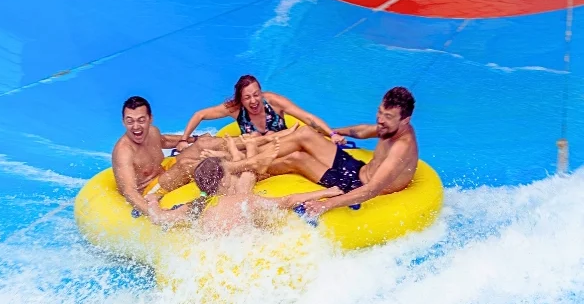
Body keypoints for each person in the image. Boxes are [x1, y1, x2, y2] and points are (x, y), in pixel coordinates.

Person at [227, 87, 419, 217]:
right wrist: (332, 133)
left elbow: (371, 190)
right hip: (356, 169)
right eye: (380, 112)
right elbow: (362, 131)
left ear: (405, 120)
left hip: (356, 186)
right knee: (305, 133)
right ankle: (243, 159)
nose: (380, 119)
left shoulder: (402, 147)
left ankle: (237, 165)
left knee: (296, 158)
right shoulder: (388, 127)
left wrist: (326, 204)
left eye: (388, 116)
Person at [145, 136, 343, 232]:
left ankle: (251, 156)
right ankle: (252, 156)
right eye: (230, 172)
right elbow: (288, 200)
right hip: (242, 255)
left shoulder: (197, 206)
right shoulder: (245, 201)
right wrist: (328, 192)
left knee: (246, 178)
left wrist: (153, 201)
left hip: (212, 255)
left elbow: (159, 218)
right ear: (223, 179)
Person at [174, 74, 347, 183]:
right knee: (243, 141)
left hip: (285, 147)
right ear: (240, 100)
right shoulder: (235, 109)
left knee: (279, 136)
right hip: (259, 155)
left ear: (261, 93)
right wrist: (183, 139)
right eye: (247, 97)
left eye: (256, 95)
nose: (254, 101)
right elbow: (200, 115)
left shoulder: (274, 102)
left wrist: (331, 134)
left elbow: (307, 118)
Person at [112, 96, 209, 218]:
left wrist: (194, 139)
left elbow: (165, 141)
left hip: (162, 172)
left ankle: (239, 144)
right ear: (123, 121)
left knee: (202, 146)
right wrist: (155, 215)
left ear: (150, 118)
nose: (136, 127)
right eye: (130, 121)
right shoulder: (124, 151)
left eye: (141, 120)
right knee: (186, 165)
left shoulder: (152, 131)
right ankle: (224, 177)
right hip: (148, 190)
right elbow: (129, 191)